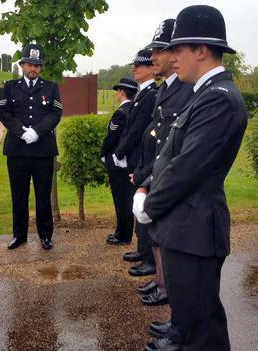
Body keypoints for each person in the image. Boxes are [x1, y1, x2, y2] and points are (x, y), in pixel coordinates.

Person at [134, 5, 248, 351]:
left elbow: (186, 167)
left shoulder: (219, 100)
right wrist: (147, 185)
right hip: (185, 228)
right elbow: (170, 153)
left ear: (201, 50)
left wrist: (147, 206)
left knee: (202, 333)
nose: (172, 56)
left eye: (178, 49)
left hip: (196, 230)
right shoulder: (204, 94)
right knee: (189, 322)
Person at [135, 19, 194, 308]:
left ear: (176, 53)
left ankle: (167, 289)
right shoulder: (164, 88)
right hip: (156, 172)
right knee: (157, 237)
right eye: (154, 50)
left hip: (171, 175)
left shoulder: (188, 89)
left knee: (168, 242)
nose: (154, 57)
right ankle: (162, 282)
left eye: (160, 50)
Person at [0, 43, 63, 250]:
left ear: (41, 67)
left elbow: (55, 114)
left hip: (42, 149)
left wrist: (36, 131)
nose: (33, 69)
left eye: (37, 65)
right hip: (17, 149)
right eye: (29, 64)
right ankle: (19, 235)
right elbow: (5, 114)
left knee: (43, 194)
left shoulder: (51, 87)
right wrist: (22, 132)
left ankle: (45, 235)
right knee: (19, 194)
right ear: (22, 65)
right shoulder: (9, 87)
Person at [106, 49, 158, 265]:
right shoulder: (142, 95)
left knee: (141, 205)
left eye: (141, 65)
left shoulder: (150, 94)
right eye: (135, 64)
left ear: (152, 68)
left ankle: (147, 256)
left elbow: (136, 130)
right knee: (138, 206)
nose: (135, 68)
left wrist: (118, 153)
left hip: (140, 158)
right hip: (136, 158)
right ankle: (142, 249)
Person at [100, 78, 137, 249]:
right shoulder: (135, 110)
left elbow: (111, 138)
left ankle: (122, 235)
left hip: (117, 162)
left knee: (121, 200)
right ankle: (123, 233)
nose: (117, 94)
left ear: (122, 92)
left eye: (118, 91)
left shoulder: (121, 112)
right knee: (127, 200)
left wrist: (103, 154)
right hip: (129, 161)